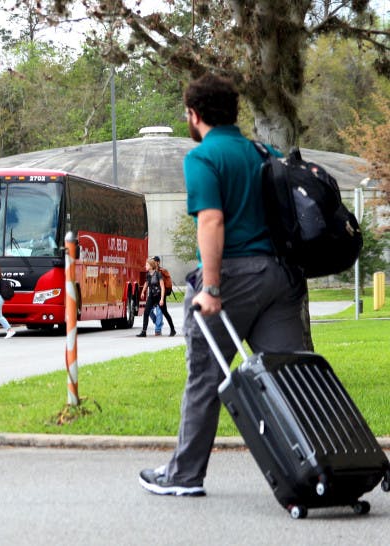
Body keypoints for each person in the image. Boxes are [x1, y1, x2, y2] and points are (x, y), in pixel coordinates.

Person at [138, 73, 305, 497]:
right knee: (292, 376)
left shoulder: (204, 158)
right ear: (233, 111)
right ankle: (326, 459)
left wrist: (210, 287)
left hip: (230, 278)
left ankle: (184, 476)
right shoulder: (264, 152)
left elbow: (211, 220)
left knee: (206, 379)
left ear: (194, 116)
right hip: (277, 278)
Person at [136, 258, 165, 337]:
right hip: (151, 296)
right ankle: (144, 331)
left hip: (158, 296)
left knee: (159, 312)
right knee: (146, 312)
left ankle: (158, 328)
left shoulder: (158, 274)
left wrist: (162, 299)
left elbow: (162, 287)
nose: (145, 266)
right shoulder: (148, 274)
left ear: (151, 266)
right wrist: (143, 291)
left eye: (147, 265)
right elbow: (146, 283)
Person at [151, 256, 176, 336]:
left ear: (158, 262)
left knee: (163, 312)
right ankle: (158, 323)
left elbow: (165, 284)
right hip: (153, 294)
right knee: (148, 311)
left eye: (154, 261)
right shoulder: (151, 271)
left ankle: (168, 329)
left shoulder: (162, 271)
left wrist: (162, 296)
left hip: (161, 294)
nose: (152, 263)